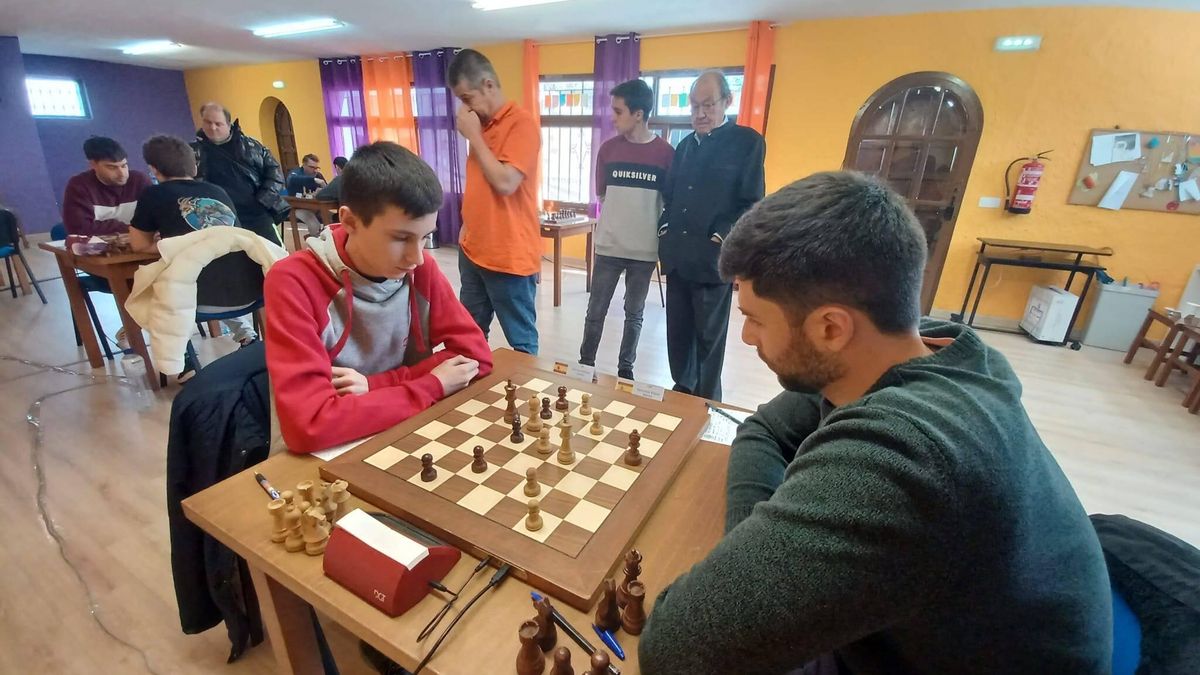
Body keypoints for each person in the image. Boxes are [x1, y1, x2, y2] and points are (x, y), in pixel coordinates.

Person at [638, 172, 1113, 675]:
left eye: (755, 317)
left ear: (830, 327)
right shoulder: (923, 347)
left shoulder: (905, 456)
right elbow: (764, 430)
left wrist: (750, 575)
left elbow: (674, 651)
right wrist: (750, 559)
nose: (748, 337)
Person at [264, 141, 493, 454]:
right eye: (401, 238)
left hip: (399, 429)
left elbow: (476, 357)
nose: (418, 257)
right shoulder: (293, 281)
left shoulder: (419, 269)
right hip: (324, 456)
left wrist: (376, 385)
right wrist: (433, 383)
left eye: (425, 237)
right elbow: (310, 425)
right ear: (349, 222)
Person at [658, 70, 765, 402]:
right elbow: (671, 196)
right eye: (693, 106)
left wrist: (720, 236)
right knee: (677, 335)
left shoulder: (747, 142)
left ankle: (707, 402)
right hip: (677, 257)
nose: (700, 113)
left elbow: (751, 203)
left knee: (708, 338)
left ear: (727, 102)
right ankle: (682, 392)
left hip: (712, 261)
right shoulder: (685, 146)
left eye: (708, 104)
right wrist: (664, 227)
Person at [129, 134, 274, 346]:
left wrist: (172, 244)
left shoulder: (153, 195)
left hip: (199, 299)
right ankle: (246, 334)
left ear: (153, 169)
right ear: (194, 167)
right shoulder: (217, 190)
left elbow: (139, 245)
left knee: (151, 291)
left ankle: (182, 359)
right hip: (253, 290)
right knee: (213, 265)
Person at [578, 79, 674, 380]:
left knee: (635, 315)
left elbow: (668, 202)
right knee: (595, 311)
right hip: (608, 247)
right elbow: (604, 195)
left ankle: (625, 370)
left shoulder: (666, 154)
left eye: (618, 111)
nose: (613, 117)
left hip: (644, 251)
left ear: (639, 113)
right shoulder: (607, 151)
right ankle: (585, 364)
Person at [449, 48, 542, 355]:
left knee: (522, 344)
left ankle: (526, 402)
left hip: (509, 256)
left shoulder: (522, 124)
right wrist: (467, 223)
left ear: (488, 85)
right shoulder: (482, 125)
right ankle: (472, 402)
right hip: (473, 250)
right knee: (469, 339)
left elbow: (505, 183)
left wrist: (473, 137)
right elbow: (480, 186)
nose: (465, 109)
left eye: (467, 98)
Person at [191, 102, 285, 246]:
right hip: (218, 218)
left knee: (275, 256)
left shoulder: (252, 146)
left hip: (256, 213)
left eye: (218, 123)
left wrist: (263, 200)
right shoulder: (192, 152)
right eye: (208, 122)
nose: (213, 127)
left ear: (229, 124)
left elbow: (275, 173)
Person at [62, 136, 152, 237]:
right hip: (99, 249)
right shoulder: (79, 186)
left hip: (138, 244)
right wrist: (130, 229)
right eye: (112, 167)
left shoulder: (140, 181)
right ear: (93, 165)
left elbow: (155, 218)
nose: (122, 173)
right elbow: (80, 228)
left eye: (124, 165)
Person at [287, 153, 330, 238]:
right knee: (314, 224)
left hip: (316, 207)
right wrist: (314, 180)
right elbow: (292, 179)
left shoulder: (318, 175)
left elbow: (327, 190)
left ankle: (315, 238)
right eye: (312, 167)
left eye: (316, 168)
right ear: (304, 165)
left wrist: (322, 189)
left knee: (331, 220)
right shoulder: (296, 173)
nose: (315, 170)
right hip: (298, 208)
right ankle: (314, 242)